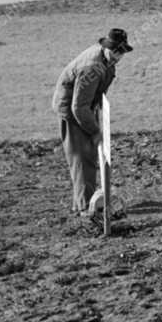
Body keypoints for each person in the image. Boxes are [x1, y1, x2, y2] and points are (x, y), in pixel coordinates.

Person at [51, 28, 132, 215]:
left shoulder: (106, 59)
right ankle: (84, 207)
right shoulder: (91, 68)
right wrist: (96, 131)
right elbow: (78, 107)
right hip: (73, 112)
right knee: (82, 157)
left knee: (90, 155)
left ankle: (90, 199)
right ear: (106, 47)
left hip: (86, 107)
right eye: (115, 52)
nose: (118, 57)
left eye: (121, 53)